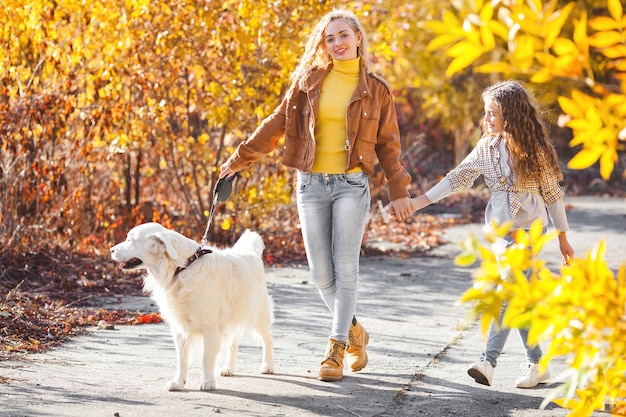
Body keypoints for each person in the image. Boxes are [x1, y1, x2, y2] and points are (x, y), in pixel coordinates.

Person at [218, 9, 412, 382]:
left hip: (351, 186)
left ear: (357, 37)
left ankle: (336, 348)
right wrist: (239, 159)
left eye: (343, 35)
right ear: (323, 45)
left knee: (346, 268)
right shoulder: (307, 83)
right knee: (321, 273)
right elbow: (274, 126)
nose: (337, 43)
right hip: (310, 185)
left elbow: (389, 146)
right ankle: (356, 331)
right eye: (329, 38)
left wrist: (399, 190)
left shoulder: (377, 91)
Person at [404, 80, 575, 388]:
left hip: (529, 232)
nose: (487, 120)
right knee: (519, 296)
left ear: (512, 114)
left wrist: (563, 236)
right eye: (486, 113)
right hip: (500, 234)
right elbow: (458, 178)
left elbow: (552, 194)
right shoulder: (487, 148)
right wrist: (417, 203)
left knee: (506, 292)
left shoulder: (535, 152)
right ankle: (538, 364)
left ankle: (487, 360)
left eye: (493, 113)